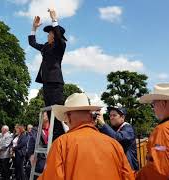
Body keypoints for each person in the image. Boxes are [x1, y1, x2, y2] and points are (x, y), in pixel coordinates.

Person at [38, 93, 134, 180]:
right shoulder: (114, 144)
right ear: (90, 115)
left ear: (69, 116)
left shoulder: (61, 144)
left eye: (65, 119)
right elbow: (128, 176)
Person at [136, 83, 169, 179]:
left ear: (163, 103)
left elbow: (160, 171)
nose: (153, 108)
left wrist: (136, 177)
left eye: (153, 104)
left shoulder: (166, 129)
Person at [28, 9, 67, 141]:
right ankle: (55, 139)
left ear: (55, 35)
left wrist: (54, 19)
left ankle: (60, 139)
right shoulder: (45, 47)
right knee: (50, 114)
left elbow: (59, 37)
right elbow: (32, 43)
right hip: (46, 83)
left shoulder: (60, 46)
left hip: (56, 84)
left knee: (57, 115)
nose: (48, 35)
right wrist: (34, 27)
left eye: (50, 33)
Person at [96, 106, 139, 170]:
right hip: (119, 167)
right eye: (110, 116)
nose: (111, 118)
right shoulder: (113, 129)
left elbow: (118, 138)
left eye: (114, 115)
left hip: (129, 169)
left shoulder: (128, 129)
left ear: (122, 117)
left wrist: (103, 124)